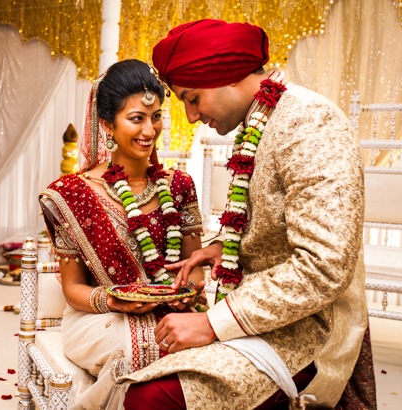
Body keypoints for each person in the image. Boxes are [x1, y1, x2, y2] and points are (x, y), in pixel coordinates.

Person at [118, 20, 376, 410]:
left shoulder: (309, 123)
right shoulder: (262, 118)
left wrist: (211, 324)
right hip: (262, 309)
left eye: (192, 97)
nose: (190, 116)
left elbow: (324, 268)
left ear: (226, 76)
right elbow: (276, 218)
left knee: (150, 398)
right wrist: (224, 248)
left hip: (307, 328)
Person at [39, 59, 206, 410]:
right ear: (107, 125)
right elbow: (72, 290)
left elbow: (196, 269)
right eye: (136, 118)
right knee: (140, 349)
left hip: (170, 312)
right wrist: (113, 301)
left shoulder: (179, 186)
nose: (150, 129)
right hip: (99, 318)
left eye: (156, 116)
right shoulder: (73, 193)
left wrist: (186, 294)